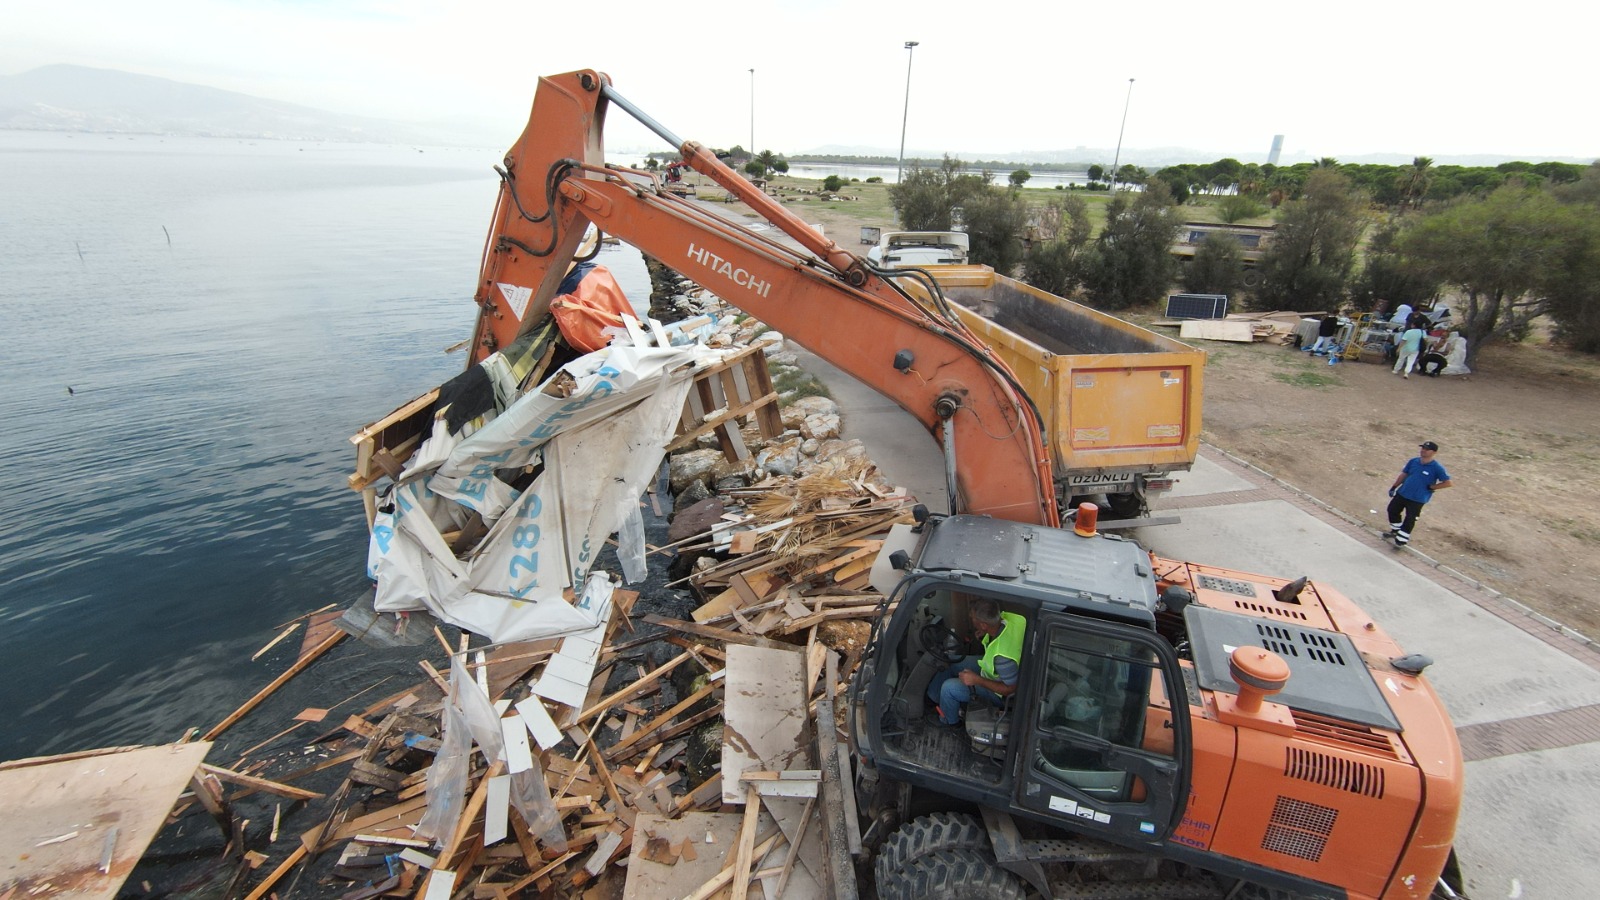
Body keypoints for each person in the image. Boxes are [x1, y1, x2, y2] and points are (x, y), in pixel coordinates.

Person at [927, 598, 1026, 726]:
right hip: (991, 671)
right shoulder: (1014, 619)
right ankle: (934, 697)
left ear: (984, 624)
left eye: (973, 618)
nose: (971, 619)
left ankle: (949, 722)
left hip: (999, 694)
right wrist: (986, 633)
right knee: (951, 661)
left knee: (948, 688)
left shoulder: (1003, 658)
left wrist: (977, 680)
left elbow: (1010, 689)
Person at [1387, 441, 1452, 547]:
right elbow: (1404, 474)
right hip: (1403, 493)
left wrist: (1432, 487)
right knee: (1392, 510)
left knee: (1410, 518)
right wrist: (1394, 487)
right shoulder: (1414, 461)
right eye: (1423, 448)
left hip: (1417, 499)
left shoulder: (1437, 468)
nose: (1423, 451)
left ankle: (1401, 540)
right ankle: (1396, 530)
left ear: (1434, 452)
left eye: (1427, 449)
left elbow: (1448, 483)